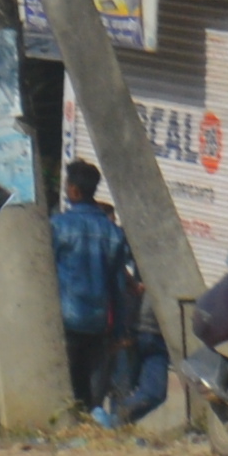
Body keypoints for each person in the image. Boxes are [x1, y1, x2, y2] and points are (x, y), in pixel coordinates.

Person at [54, 159, 166, 426]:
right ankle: (93, 427)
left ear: (74, 191)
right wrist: (119, 332)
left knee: (72, 390)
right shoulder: (113, 233)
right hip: (100, 325)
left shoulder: (57, 227)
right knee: (95, 396)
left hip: (66, 322)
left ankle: (75, 430)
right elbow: (118, 286)